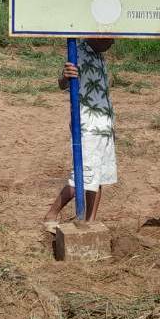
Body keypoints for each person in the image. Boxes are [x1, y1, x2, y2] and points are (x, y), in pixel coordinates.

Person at [44, 38, 117, 223]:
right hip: (88, 126)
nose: (113, 42)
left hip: (104, 126)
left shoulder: (100, 56)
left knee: (97, 178)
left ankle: (90, 222)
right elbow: (63, 83)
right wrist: (65, 77)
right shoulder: (78, 52)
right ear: (96, 36)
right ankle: (51, 216)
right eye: (110, 38)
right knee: (82, 176)